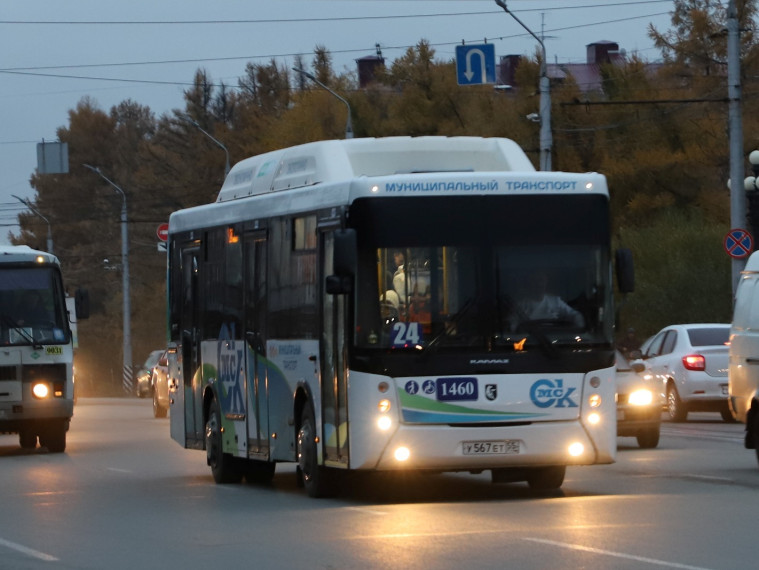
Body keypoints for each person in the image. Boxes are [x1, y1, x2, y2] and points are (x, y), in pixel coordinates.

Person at [510, 271, 584, 329]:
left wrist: (579, 325)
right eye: (534, 281)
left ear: (546, 282)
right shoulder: (521, 306)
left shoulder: (556, 302)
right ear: (529, 283)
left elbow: (574, 315)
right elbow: (513, 326)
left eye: (541, 280)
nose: (538, 284)